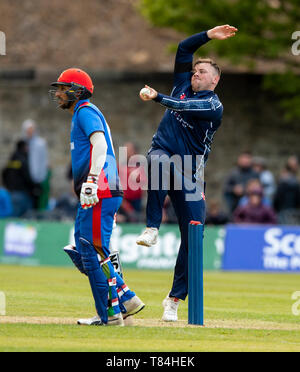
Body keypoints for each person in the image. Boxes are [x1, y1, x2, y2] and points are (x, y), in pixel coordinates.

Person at [136, 25, 238, 322]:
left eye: (202, 72)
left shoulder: (212, 105)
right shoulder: (183, 83)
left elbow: (184, 106)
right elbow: (183, 48)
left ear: (215, 80)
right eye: (195, 70)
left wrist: (157, 96)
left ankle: (174, 299)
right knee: (156, 160)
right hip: (164, 153)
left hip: (191, 172)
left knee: (195, 233)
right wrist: (208, 34)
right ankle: (152, 227)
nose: (196, 73)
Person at [50, 68, 144, 326]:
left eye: (62, 88)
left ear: (77, 90)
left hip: (99, 187)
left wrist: (91, 179)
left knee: (91, 250)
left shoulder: (85, 111)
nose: (58, 93)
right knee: (86, 247)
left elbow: (100, 144)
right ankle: (125, 297)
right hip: (101, 187)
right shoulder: (82, 113)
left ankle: (110, 313)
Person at [22, 119, 50, 210]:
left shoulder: (40, 143)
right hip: (27, 179)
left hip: (39, 178)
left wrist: (41, 176)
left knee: (39, 201)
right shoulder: (23, 143)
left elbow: (43, 161)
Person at [2, 140, 34, 216]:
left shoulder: (12, 159)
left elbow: (4, 173)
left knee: (14, 218)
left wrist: (8, 186)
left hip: (11, 193)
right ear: (23, 147)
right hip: (22, 194)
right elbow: (27, 177)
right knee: (24, 219)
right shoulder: (23, 160)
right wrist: (34, 188)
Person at [118, 142, 147, 222]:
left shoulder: (141, 167)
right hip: (123, 202)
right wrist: (124, 204)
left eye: (128, 150)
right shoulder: (119, 167)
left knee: (136, 219)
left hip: (137, 202)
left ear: (134, 152)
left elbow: (143, 186)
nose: (126, 152)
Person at [223, 151, 259, 215]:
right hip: (234, 203)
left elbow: (259, 189)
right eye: (243, 158)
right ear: (239, 160)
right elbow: (226, 188)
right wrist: (234, 189)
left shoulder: (255, 174)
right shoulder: (233, 173)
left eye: (247, 158)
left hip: (251, 203)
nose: (245, 161)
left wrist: (247, 190)